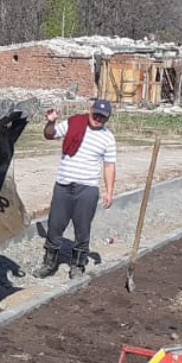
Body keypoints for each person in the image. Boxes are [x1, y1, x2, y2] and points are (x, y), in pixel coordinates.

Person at [35, 98, 118, 279]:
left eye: (102, 117)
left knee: (82, 229)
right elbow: (50, 134)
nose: (98, 119)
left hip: (87, 189)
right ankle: (49, 263)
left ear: (107, 119)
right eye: (96, 114)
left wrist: (109, 192)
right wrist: (51, 122)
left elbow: (109, 166)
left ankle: (77, 265)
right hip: (64, 185)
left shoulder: (108, 138)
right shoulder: (74, 123)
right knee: (55, 226)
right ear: (90, 110)